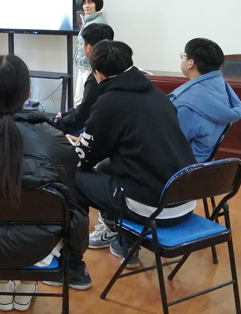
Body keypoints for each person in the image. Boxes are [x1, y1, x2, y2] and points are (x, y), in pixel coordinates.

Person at [0, 55, 90, 310]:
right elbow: (68, 189)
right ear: (28, 93)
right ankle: (26, 284)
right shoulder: (53, 138)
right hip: (42, 247)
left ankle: (3, 284)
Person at [68, 40, 195, 269]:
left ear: (98, 73)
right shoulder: (157, 94)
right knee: (106, 167)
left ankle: (74, 263)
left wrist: (65, 148)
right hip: (185, 199)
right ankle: (121, 237)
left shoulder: (109, 102)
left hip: (154, 211)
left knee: (71, 176)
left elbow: (82, 160)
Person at [169, 38, 241, 162]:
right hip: (202, 162)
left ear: (190, 63)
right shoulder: (220, 86)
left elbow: (167, 144)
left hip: (181, 165)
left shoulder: (186, 103)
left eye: (183, 56)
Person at [54, 23, 114, 134]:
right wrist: (65, 114)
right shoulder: (115, 67)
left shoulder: (97, 76)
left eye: (83, 43)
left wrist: (57, 122)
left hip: (102, 132)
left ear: (89, 48)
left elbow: (82, 116)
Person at [74, 0, 106, 107]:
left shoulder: (98, 23)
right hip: (83, 66)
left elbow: (97, 48)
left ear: (97, 4)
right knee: (79, 99)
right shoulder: (87, 21)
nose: (86, 6)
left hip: (90, 67)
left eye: (90, 3)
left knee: (86, 101)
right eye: (84, 3)